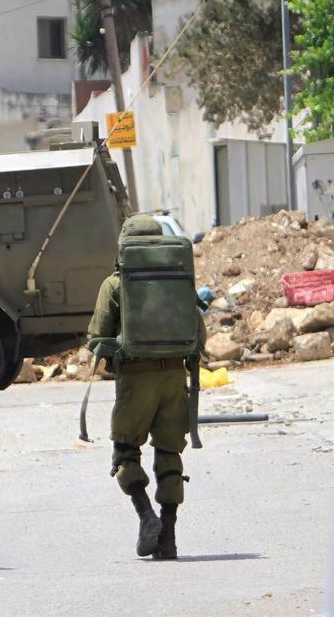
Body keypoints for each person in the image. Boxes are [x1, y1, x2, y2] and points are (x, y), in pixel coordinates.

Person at [87, 214, 207, 560]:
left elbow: (97, 338)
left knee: (126, 450)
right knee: (170, 454)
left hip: (136, 380)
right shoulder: (179, 279)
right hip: (174, 378)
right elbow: (199, 335)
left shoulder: (115, 283)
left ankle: (145, 517)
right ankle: (167, 538)